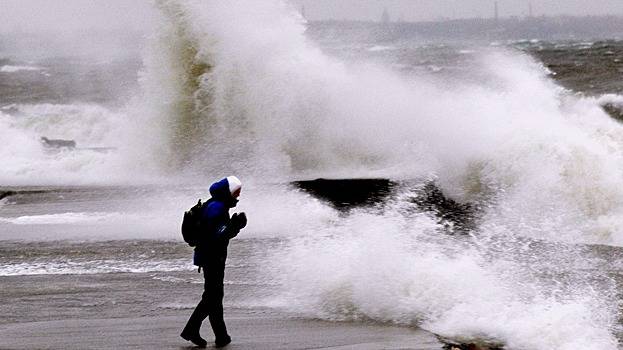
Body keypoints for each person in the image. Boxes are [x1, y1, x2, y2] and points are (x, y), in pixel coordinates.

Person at [181, 176, 247, 348]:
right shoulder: (217, 208)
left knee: (214, 297)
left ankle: (221, 336)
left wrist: (232, 225)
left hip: (210, 256)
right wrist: (237, 225)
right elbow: (218, 234)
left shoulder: (215, 203)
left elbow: (216, 232)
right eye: (236, 192)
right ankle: (191, 330)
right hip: (211, 257)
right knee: (212, 298)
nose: (238, 196)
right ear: (228, 191)